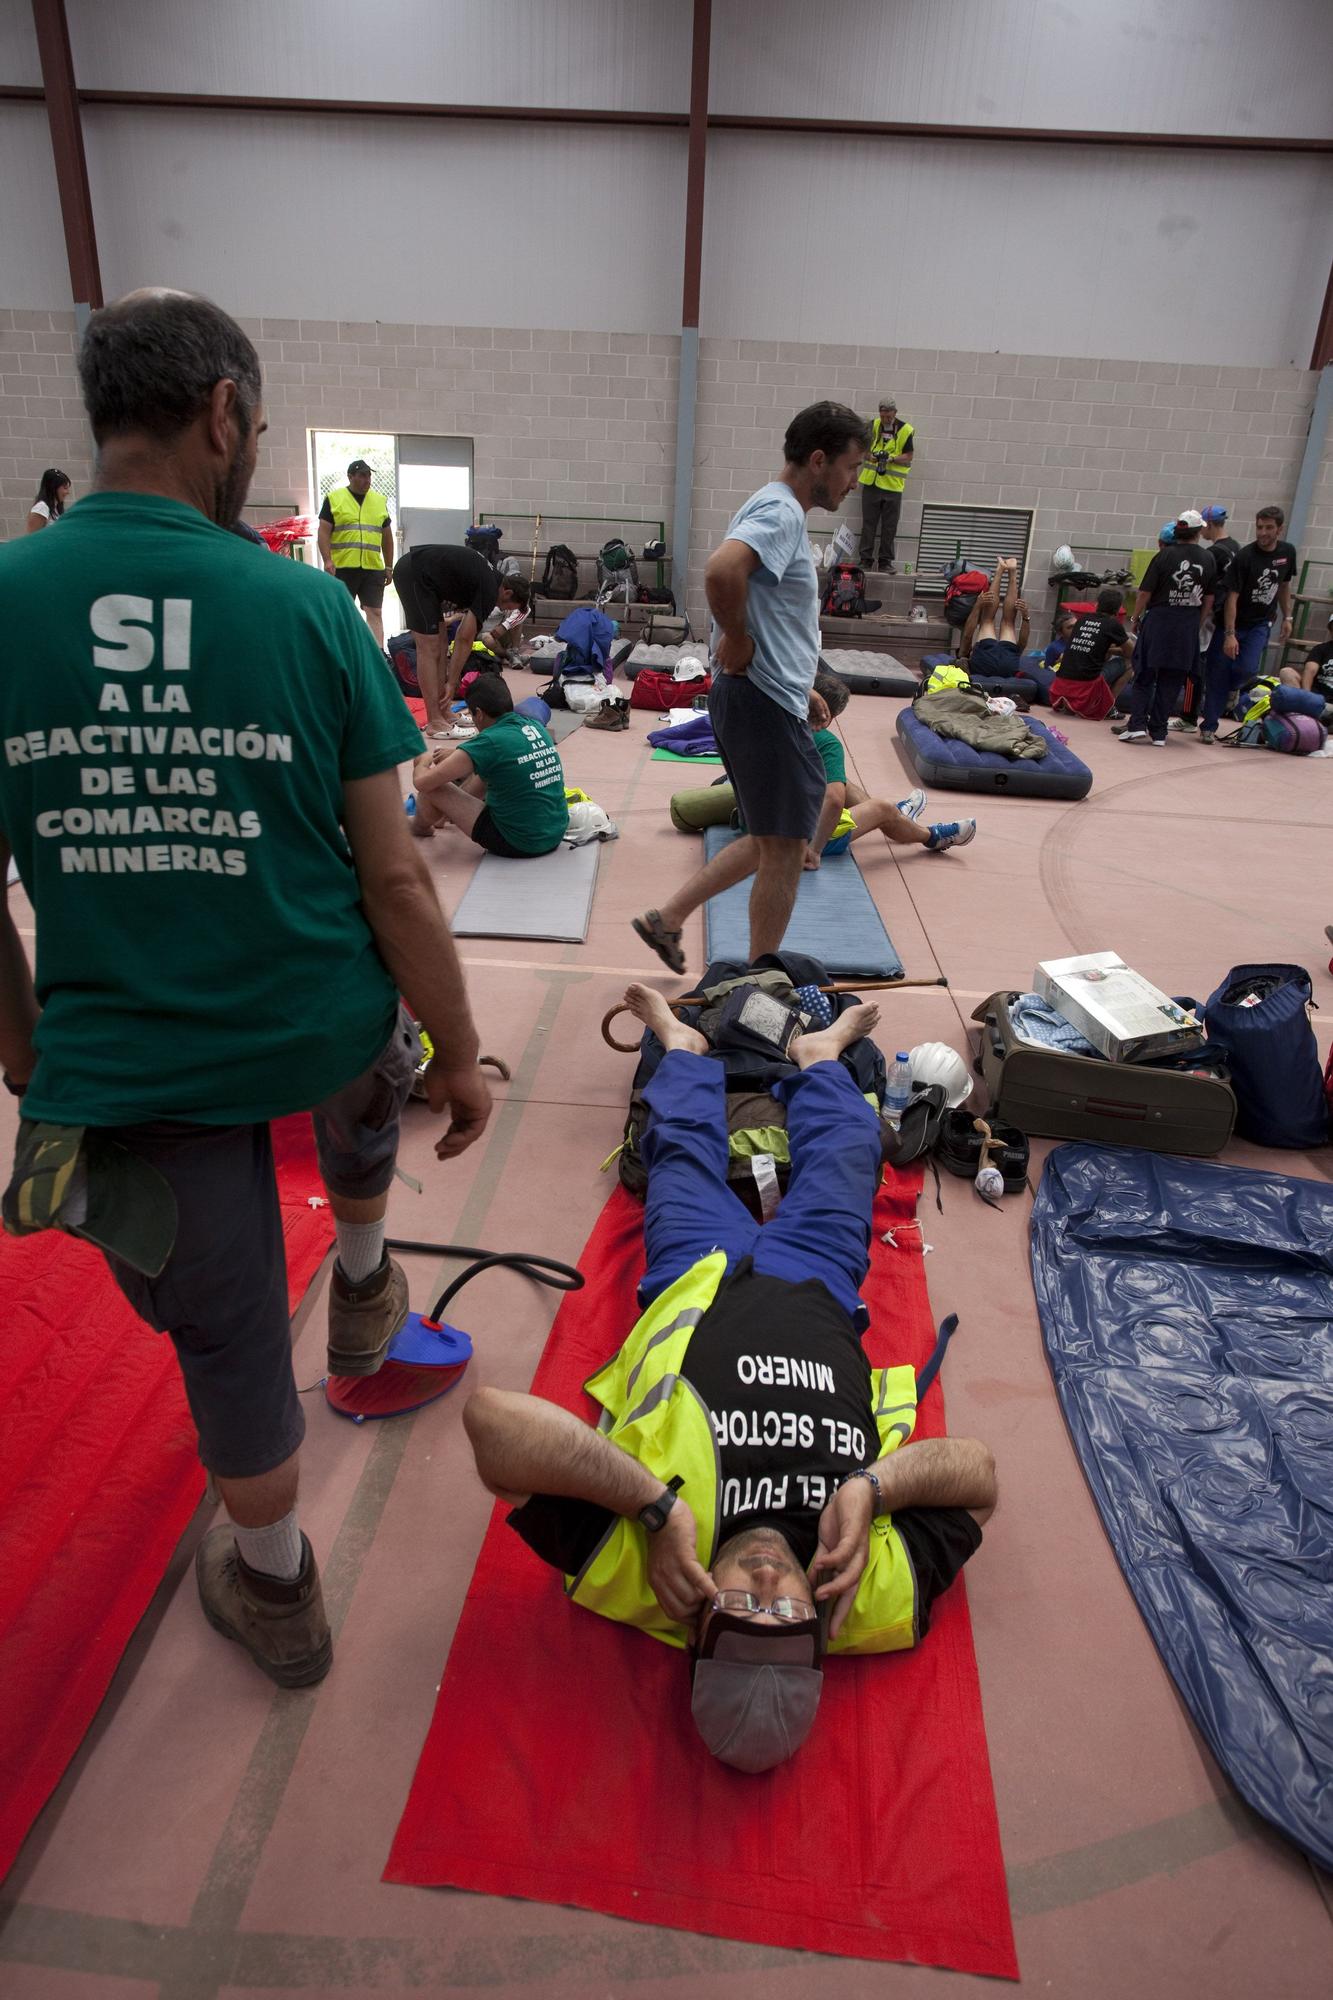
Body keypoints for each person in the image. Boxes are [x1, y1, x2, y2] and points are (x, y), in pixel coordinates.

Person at [0, 288, 494, 1689]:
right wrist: (457, 1050)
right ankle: (357, 1279)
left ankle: (277, 1593)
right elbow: (392, 880)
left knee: (221, 1332)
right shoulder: (303, 606)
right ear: (223, 411)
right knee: (363, 1064)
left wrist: (33, 1061)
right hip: (321, 1022)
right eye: (258, 429)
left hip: (138, 1061)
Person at [463, 983, 996, 1774]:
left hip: (694, 1276)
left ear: (695, 1627)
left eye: (739, 1614)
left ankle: (681, 1045)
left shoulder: (640, 1574)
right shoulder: (863, 1593)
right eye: (785, 1618)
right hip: (818, 1282)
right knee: (851, 1152)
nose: (766, 1584)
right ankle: (817, 1058)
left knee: (678, 1151)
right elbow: (979, 1479)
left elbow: (491, 1422)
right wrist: (872, 1490)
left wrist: (647, 1507)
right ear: (817, 1635)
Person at [632, 402, 870, 977]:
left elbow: (776, 613)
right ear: (818, 459)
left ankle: (667, 918)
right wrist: (735, 637)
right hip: (759, 701)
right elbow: (721, 571)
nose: (853, 481)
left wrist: (802, 683)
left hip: (767, 697)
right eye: (850, 467)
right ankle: (765, 976)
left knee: (771, 838)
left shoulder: (777, 509)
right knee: (787, 848)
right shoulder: (782, 511)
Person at [806, 669, 975, 861]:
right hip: (797, 837)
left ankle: (899, 818)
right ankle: (933, 836)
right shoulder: (826, 742)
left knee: (839, 779)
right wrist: (814, 849)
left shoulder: (777, 723)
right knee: (882, 808)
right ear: (829, 717)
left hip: (768, 824)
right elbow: (835, 800)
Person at [410, 671, 569, 856]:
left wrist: (422, 761)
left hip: (518, 841)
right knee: (489, 770)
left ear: (478, 714)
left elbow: (422, 783)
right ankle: (444, 816)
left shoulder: (490, 741)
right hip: (553, 833)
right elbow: (500, 755)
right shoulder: (533, 726)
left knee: (433, 787)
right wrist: (458, 755)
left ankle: (420, 827)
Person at [392, 542, 526, 736]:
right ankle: (435, 722)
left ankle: (444, 711)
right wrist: (452, 683)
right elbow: (465, 638)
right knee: (428, 647)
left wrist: (451, 680)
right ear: (507, 592)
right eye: (508, 606)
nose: (504, 610)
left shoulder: (491, 579)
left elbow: (463, 634)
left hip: (424, 576)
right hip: (413, 573)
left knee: (441, 641)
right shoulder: (490, 589)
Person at [1118, 511, 1215, 746]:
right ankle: (1159, 732)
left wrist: (1136, 616)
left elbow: (1145, 592)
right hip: (1187, 623)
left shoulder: (1163, 556)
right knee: (1172, 679)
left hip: (1159, 619)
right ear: (1199, 532)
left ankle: (1137, 725)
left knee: (1144, 674)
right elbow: (1209, 599)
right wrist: (1196, 622)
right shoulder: (1208, 558)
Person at [1203, 507, 1299, 744]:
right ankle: (1208, 725)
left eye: (1268, 528)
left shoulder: (1287, 553)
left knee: (1246, 669)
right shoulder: (1245, 557)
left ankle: (1233, 690)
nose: (1262, 532)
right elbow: (1232, 597)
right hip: (1233, 623)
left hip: (1260, 623)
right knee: (1218, 674)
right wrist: (1229, 634)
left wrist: (1288, 617)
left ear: (1279, 529)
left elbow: (1284, 586)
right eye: (1259, 527)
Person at [317, 458, 394, 651]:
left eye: (369, 475)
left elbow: (387, 537)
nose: (367, 480)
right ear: (350, 477)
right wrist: (327, 560)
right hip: (342, 567)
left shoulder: (379, 501)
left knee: (375, 611)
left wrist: (389, 565)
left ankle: (378, 655)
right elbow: (324, 531)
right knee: (342, 612)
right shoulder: (334, 499)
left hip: (372, 567)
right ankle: (342, 652)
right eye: (362, 475)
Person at [1047, 588, 1135, 721]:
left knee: (1102, 652)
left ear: (1097, 605)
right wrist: (1109, 649)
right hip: (1084, 689)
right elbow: (1132, 653)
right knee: (1130, 663)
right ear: (1117, 611)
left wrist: (1103, 648)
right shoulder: (1112, 625)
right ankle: (1109, 707)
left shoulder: (1081, 620)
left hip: (1060, 687)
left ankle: (1085, 702)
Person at [857, 398, 915, 573]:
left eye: (889, 417)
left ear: (895, 413)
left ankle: (885, 562)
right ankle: (865, 560)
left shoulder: (905, 430)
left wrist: (891, 458)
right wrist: (870, 456)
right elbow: (862, 449)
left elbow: (909, 456)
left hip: (893, 486)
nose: (886, 420)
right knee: (868, 523)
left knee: (890, 526)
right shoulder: (873, 426)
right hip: (871, 483)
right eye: (883, 416)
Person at [958, 559, 1031, 677]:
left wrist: (977, 605)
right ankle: (1003, 571)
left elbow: (967, 636)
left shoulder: (964, 654)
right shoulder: (967, 654)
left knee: (1001, 622)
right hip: (1006, 665)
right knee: (993, 621)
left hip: (991, 662)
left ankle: (1010, 572)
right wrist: (1026, 616)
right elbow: (1023, 643)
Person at [1299, 611, 1333, 706]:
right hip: (1317, 697)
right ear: (1330, 630)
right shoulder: (1321, 649)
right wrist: (1307, 696)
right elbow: (1310, 671)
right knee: (1287, 673)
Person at [26, 466, 71, 532]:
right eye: (65, 488)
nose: (68, 492)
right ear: (54, 488)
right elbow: (32, 537)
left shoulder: (56, 509)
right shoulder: (41, 508)